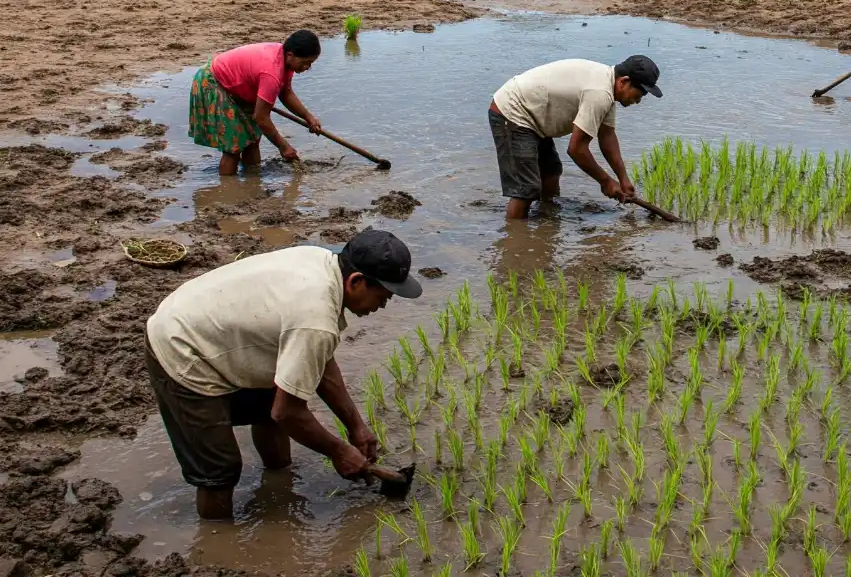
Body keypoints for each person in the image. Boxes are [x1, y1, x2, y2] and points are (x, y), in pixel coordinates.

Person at [144, 230, 422, 519]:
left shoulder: (322, 262)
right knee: (220, 470)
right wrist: (338, 451)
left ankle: (278, 479)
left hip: (207, 322)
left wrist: (356, 426)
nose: (384, 305)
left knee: (271, 402)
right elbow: (287, 412)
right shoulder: (315, 318)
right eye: (385, 295)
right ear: (356, 282)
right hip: (181, 347)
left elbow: (321, 362)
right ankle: (216, 546)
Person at [488, 55, 661, 220]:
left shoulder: (607, 89)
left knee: (551, 172)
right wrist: (606, 181)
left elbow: (607, 136)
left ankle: (546, 221)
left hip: (533, 116)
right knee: (526, 188)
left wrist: (623, 179)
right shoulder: (599, 93)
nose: (638, 101)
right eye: (639, 94)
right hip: (513, 111)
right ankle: (515, 239)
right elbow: (576, 149)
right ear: (624, 81)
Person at [189, 30, 324, 176]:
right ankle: (227, 192)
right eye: (305, 63)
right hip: (214, 82)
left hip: (235, 84)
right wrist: (283, 146)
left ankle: (252, 184)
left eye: (310, 64)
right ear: (290, 55)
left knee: (252, 139)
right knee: (233, 148)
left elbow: (286, 93)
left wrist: (307, 116)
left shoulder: (285, 60)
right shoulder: (271, 72)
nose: (307, 68)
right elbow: (261, 118)